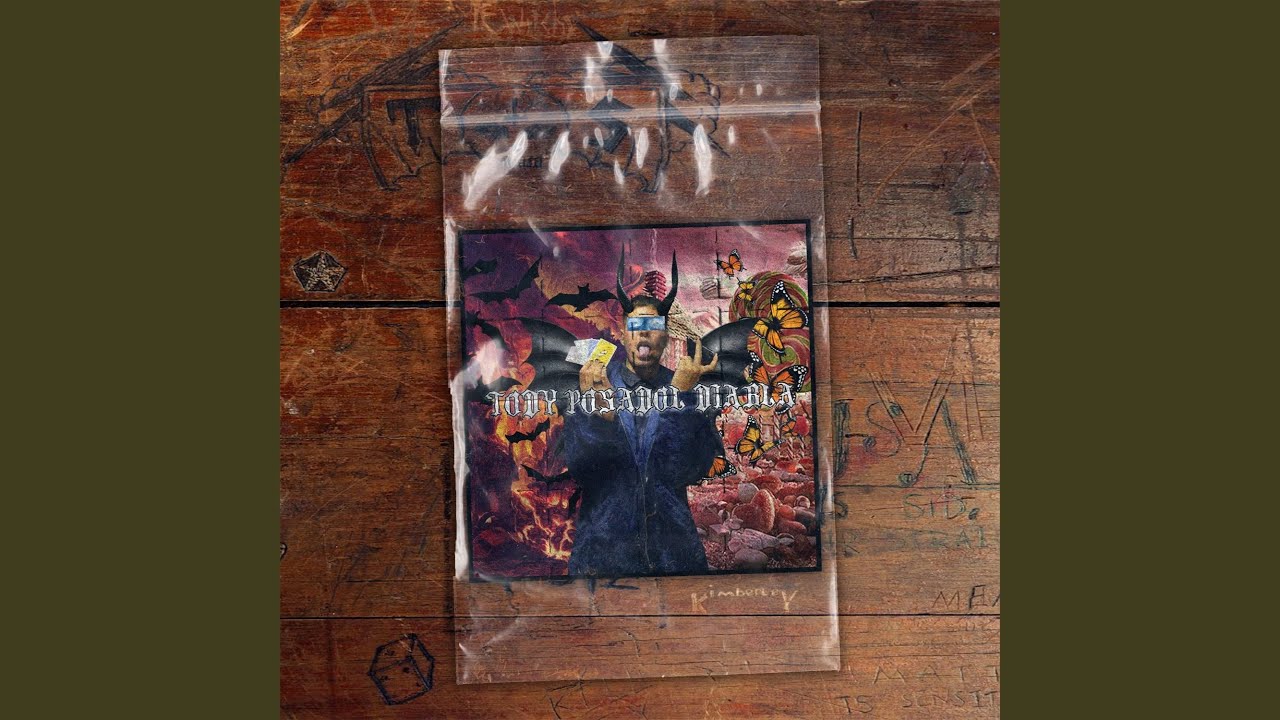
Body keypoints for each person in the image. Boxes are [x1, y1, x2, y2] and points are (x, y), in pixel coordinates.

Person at [556, 252, 723, 576]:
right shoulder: (594, 382)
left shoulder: (686, 386)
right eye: (636, 325)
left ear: (666, 335)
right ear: (623, 331)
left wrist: (678, 398)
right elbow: (581, 469)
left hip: (673, 557)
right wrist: (601, 417)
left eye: (654, 326)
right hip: (603, 558)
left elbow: (690, 470)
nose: (644, 334)